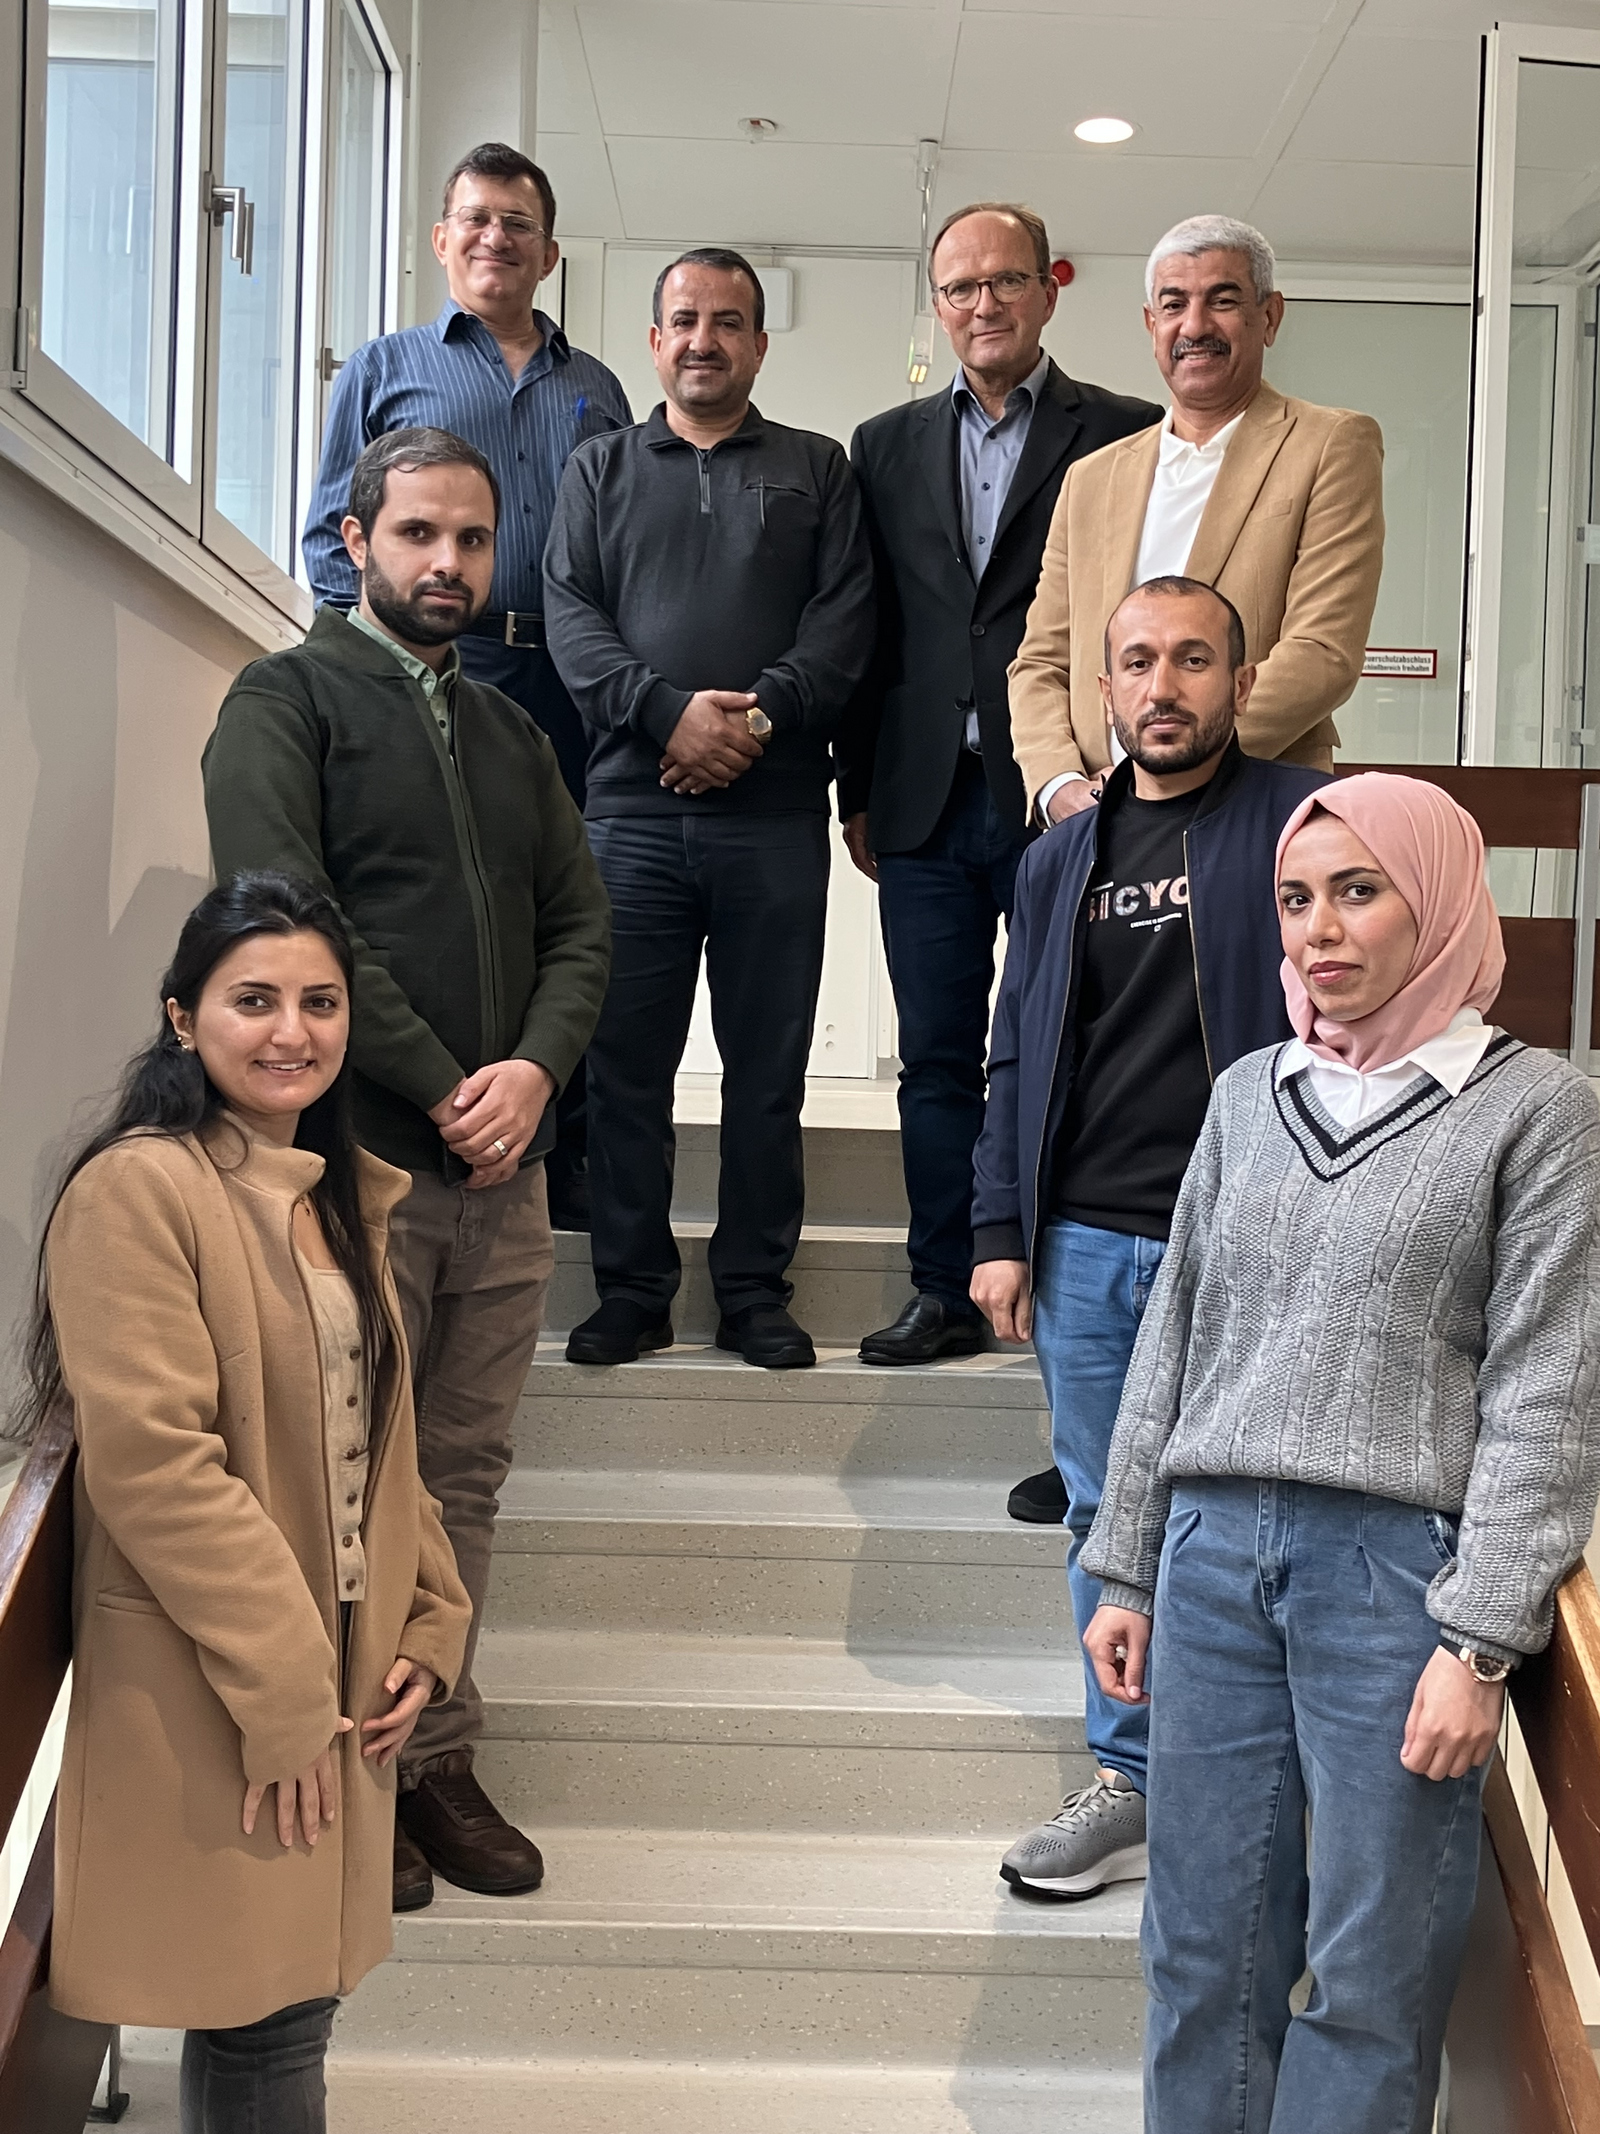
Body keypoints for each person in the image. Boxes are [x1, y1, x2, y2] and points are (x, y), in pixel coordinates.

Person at [1080, 774, 1600, 2133]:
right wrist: (1124, 1561)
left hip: (1395, 1587)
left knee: (1370, 1981)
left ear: (1434, 900)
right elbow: (1173, 1343)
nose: (1320, 928)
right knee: (1200, 1958)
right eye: (1297, 899)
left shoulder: (1538, 1110)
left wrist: (1483, 1638)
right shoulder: (1252, 1091)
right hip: (1207, 1568)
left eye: (1359, 891)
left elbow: (1550, 1395)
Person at [205, 427, 611, 1913]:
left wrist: (532, 1074)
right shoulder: (284, 702)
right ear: (356, 538)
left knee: (464, 1473)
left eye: (472, 540)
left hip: (504, 1178)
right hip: (346, 1165)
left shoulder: (512, 736)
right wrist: (447, 1082)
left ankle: (432, 1748)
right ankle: (337, 1760)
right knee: (331, 1468)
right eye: (420, 534)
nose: (448, 563)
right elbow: (290, 930)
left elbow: (585, 925)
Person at [16, 873, 471, 2134]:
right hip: (229, 1670)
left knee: (285, 2003)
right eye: (253, 999)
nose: (293, 1031)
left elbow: (380, 1448)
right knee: (262, 2014)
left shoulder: (329, 1194)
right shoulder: (140, 1189)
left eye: (319, 1002)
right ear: (183, 1018)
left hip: (343, 1666)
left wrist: (430, 1624)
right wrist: (281, 1695)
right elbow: (158, 1466)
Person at [969, 575, 1327, 1900]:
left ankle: (1235, 1781)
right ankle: (1127, 1773)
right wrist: (1001, 1224)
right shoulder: (1059, 856)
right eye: (1137, 662)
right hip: (1085, 1241)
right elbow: (1015, 1051)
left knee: (1239, 1514)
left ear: (1237, 681)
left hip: (1247, 1235)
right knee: (1103, 1517)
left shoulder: (1298, 823)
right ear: (1104, 687)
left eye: (1191, 660)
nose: (1163, 686)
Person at [838, 202, 1160, 1426]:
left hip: (1064, 796)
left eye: (1006, 281)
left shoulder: (1122, 433)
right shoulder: (881, 444)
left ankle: (1045, 1299)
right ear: (939, 302)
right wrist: (853, 785)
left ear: (1047, 292)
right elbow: (871, 632)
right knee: (934, 1056)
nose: (984, 303)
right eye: (961, 285)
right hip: (921, 797)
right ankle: (939, 1285)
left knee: (1060, 1057)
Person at [545, 247, 875, 1371]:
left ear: (759, 344)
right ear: (652, 341)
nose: (704, 339)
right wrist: (666, 718)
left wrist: (752, 725)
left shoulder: (816, 470)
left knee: (767, 1066)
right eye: (684, 318)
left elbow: (842, 627)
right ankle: (632, 1288)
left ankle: (751, 1291)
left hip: (773, 818)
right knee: (623, 1064)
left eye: (728, 321)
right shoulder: (596, 471)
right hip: (629, 818)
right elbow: (571, 621)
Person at [302, 140, 631, 1229]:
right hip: (448, 662)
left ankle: (558, 1141)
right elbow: (324, 538)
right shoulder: (385, 365)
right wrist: (372, 673)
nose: (497, 238)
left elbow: (621, 545)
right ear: (443, 239)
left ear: (548, 251)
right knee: (447, 910)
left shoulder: (596, 388)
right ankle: (425, 1126)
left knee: (560, 902)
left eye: (519, 224)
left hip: (574, 680)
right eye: (476, 219)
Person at [1009, 214, 1384, 820]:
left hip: (1253, 805)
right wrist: (1058, 786)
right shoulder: (1092, 478)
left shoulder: (1331, 444)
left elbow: (1322, 652)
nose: (1196, 325)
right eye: (1174, 303)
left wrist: (1159, 773)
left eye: (1223, 300)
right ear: (1151, 324)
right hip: (1096, 820)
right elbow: (1042, 663)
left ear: (1270, 316)